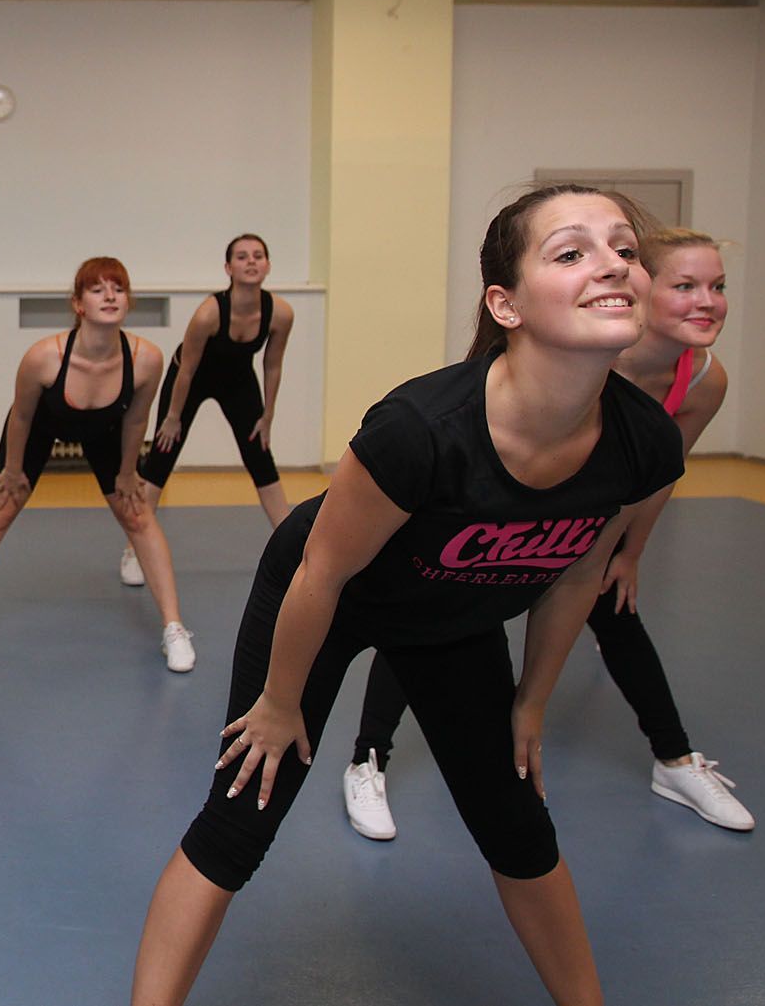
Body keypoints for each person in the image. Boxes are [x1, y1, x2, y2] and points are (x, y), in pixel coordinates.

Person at [131, 185, 684, 1006]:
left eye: (626, 250)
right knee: (242, 813)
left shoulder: (644, 442)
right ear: (506, 304)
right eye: (572, 251)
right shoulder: (422, 429)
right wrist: (282, 703)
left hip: (452, 619)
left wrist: (530, 702)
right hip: (332, 594)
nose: (613, 263)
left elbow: (573, 573)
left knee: (517, 823)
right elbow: (322, 572)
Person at [342, 225, 752, 840]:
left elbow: (655, 480)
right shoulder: (572, 351)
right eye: (685, 285)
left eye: (717, 286)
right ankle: (367, 757)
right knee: (432, 618)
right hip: (501, 521)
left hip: (587, 528)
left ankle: (675, 760)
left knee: (618, 613)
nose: (707, 301)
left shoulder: (701, 381)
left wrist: (629, 552)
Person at [0, 257, 196, 672]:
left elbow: (137, 418)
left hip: (106, 430)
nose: (110, 296)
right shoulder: (43, 357)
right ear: (78, 304)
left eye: (118, 289)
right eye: (98, 289)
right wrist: (12, 470)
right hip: (41, 424)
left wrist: (125, 472)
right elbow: (23, 416)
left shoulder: (146, 359)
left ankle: (174, 628)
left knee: (138, 516)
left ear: (128, 300)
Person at [119, 234, 294, 587]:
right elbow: (187, 369)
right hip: (191, 379)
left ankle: (293, 548)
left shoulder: (280, 313)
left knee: (260, 457)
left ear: (268, 265)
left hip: (238, 382)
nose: (251, 261)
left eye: (258, 256)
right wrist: (172, 417)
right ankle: (133, 549)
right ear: (229, 268)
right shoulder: (210, 313)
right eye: (242, 257)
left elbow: (273, 365)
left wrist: (268, 415)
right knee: (161, 459)